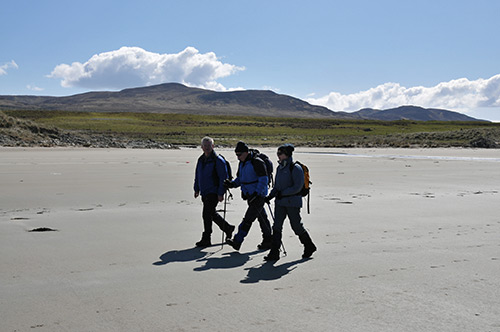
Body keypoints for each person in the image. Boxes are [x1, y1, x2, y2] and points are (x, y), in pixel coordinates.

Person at [264, 144, 316, 261]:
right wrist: (270, 197)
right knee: (277, 226)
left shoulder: (295, 168)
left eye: (280, 154)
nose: (278, 156)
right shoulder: (280, 168)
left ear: (286, 155)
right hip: (280, 202)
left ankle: (309, 245)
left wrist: (283, 193)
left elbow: (297, 187)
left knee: (296, 226)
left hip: (292, 202)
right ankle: (274, 252)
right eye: (278, 153)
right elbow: (277, 186)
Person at [224, 141, 272, 251]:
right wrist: (231, 184)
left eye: (239, 154)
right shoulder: (242, 163)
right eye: (236, 155)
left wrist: (257, 193)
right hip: (250, 195)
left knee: (248, 220)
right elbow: (241, 179)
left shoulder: (257, 162)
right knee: (262, 218)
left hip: (258, 196)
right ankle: (268, 240)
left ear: (246, 152)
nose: (238, 157)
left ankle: (237, 241)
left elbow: (264, 180)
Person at [193, 137, 235, 247]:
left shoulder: (218, 160)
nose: (206, 148)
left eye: (209, 145)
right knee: (211, 213)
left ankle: (206, 238)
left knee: (206, 214)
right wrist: (196, 189)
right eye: (205, 146)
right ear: (201, 147)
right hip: (204, 191)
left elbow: (223, 178)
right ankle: (228, 228)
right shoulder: (201, 160)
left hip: (214, 191)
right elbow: (198, 176)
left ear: (213, 146)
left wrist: (221, 193)